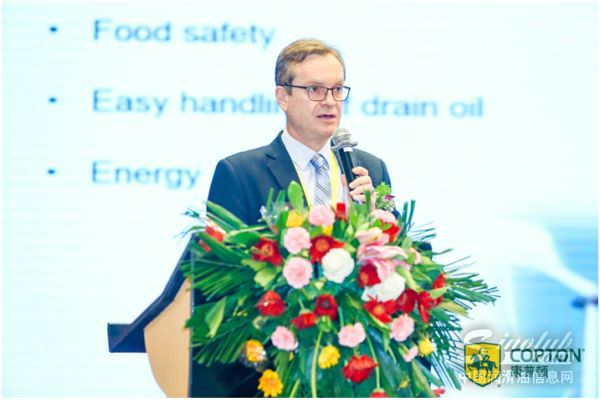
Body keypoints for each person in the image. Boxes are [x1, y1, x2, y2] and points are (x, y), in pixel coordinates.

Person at [208, 38, 393, 225]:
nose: (330, 101)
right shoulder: (240, 174)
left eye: (337, 89)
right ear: (283, 97)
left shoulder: (372, 170)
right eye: (314, 89)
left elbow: (397, 239)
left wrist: (372, 219)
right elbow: (216, 243)